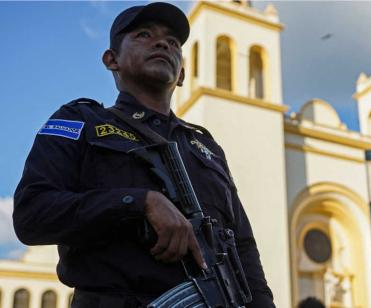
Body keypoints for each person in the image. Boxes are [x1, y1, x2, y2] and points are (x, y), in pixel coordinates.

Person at [13, 2, 274, 307]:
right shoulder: (81, 121)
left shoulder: (207, 149)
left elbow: (244, 248)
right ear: (112, 60)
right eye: (143, 35)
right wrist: (138, 203)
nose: (162, 43)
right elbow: (32, 214)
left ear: (181, 75)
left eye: (173, 42)